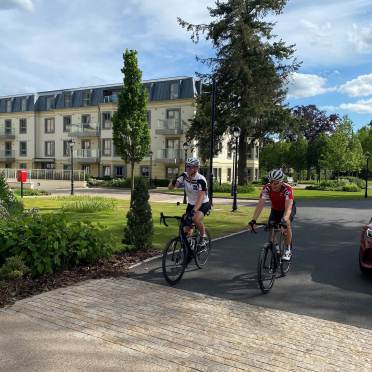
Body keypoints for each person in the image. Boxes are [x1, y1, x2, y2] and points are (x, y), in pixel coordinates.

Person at [248, 169, 296, 260]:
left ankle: (287, 249)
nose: (273, 185)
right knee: (271, 230)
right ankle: (276, 247)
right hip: (275, 209)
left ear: (281, 182)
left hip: (287, 209)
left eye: (276, 183)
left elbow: (288, 208)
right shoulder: (267, 188)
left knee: (287, 223)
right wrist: (253, 220)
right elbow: (260, 205)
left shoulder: (287, 189)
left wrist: (284, 221)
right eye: (271, 182)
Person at [168, 157, 211, 249]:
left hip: (203, 203)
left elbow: (201, 197)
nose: (188, 168)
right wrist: (173, 183)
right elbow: (171, 187)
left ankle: (203, 237)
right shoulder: (184, 175)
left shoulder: (201, 179)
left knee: (195, 219)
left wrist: (194, 210)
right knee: (186, 226)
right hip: (191, 204)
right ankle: (190, 243)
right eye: (187, 166)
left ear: (196, 168)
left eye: (190, 167)